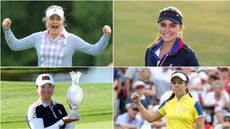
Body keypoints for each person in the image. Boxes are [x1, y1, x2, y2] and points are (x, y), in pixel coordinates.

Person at [2, 5, 112, 67]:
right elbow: (15, 45)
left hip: (64, 82)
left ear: (63, 21)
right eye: (52, 18)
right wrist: (6, 29)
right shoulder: (37, 37)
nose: (55, 22)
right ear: (46, 20)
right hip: (43, 84)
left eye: (58, 19)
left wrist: (106, 36)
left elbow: (95, 50)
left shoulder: (71, 39)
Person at [131, 71, 205, 129]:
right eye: (173, 83)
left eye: (180, 82)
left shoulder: (195, 103)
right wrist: (138, 103)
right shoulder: (167, 102)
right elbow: (150, 118)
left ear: (186, 85)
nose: (176, 85)